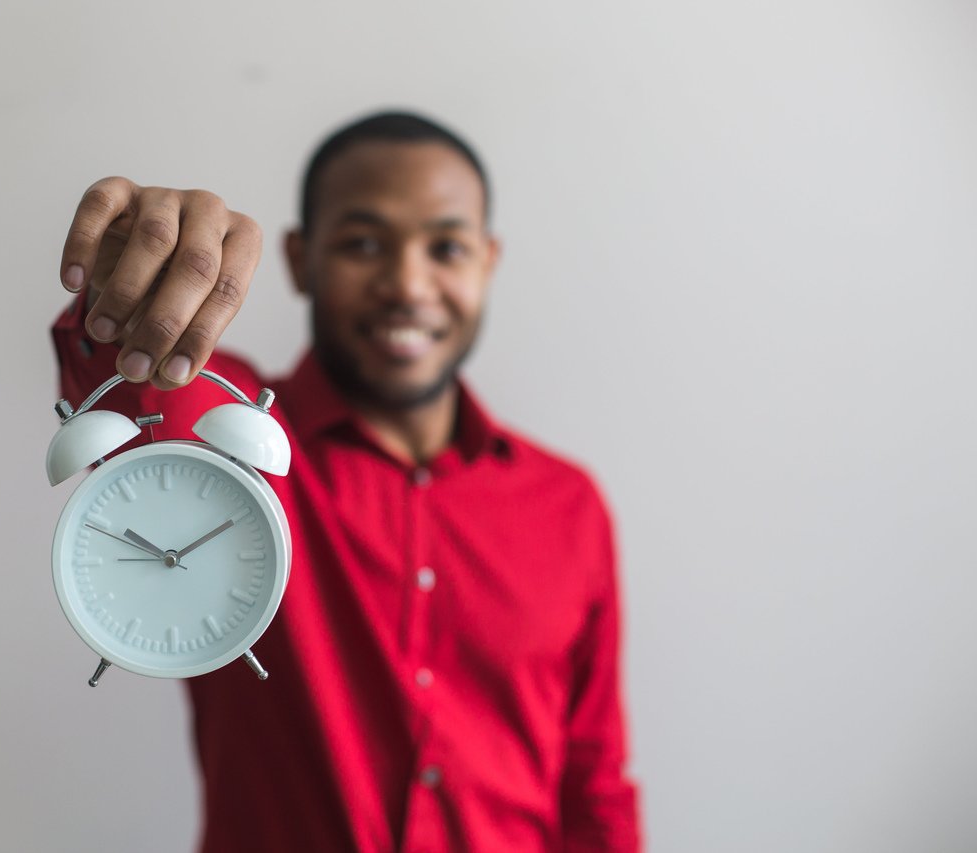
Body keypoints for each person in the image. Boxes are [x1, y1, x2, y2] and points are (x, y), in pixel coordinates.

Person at [51, 111, 641, 851]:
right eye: (363, 243)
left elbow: (591, 782)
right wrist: (128, 286)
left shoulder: (568, 506)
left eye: (447, 247)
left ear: (488, 261)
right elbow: (134, 385)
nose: (406, 284)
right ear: (300, 260)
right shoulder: (228, 449)